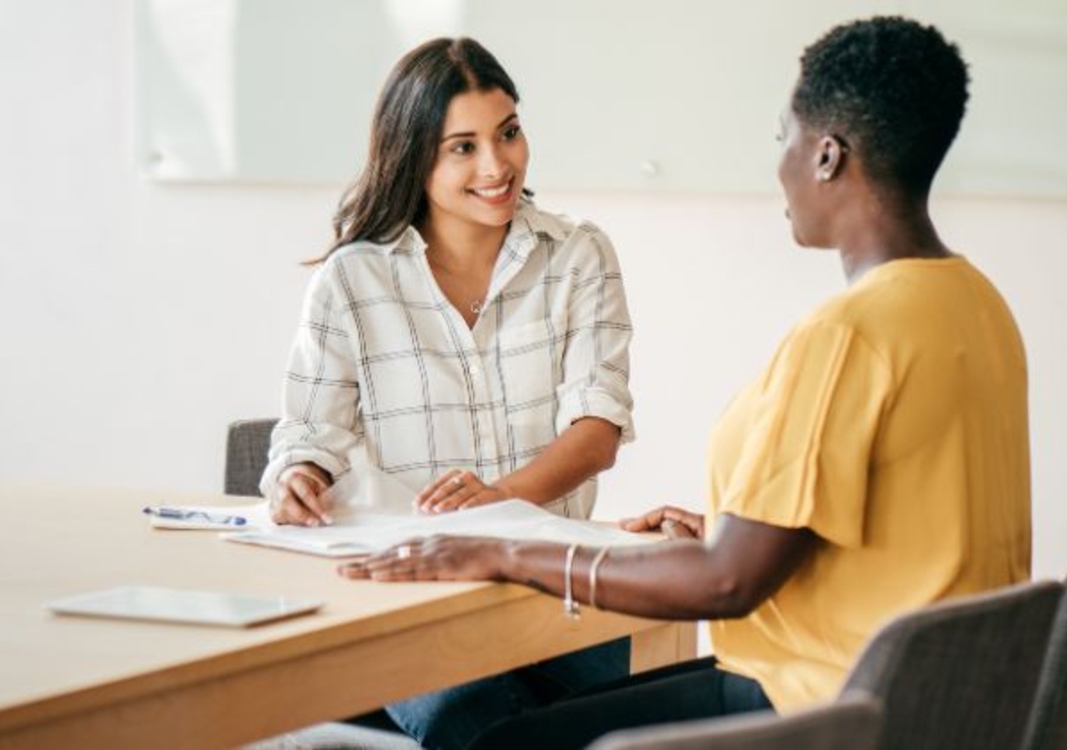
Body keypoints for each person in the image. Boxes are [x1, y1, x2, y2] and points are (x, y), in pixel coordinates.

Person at [340, 16, 1031, 749]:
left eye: (783, 140)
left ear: (827, 156)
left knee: (494, 742)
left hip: (819, 709)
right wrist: (730, 530)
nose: (781, 166)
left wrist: (502, 551)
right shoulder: (977, 306)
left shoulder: (846, 337)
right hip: (935, 710)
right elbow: (909, 530)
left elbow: (727, 585)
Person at [262, 38, 636, 748]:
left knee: (632, 713)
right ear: (414, 157)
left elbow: (598, 427)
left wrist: (503, 501)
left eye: (508, 133)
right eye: (461, 147)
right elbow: (310, 432)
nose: (497, 166)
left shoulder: (579, 255)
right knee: (475, 725)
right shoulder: (351, 281)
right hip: (411, 598)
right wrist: (300, 476)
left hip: (554, 590)